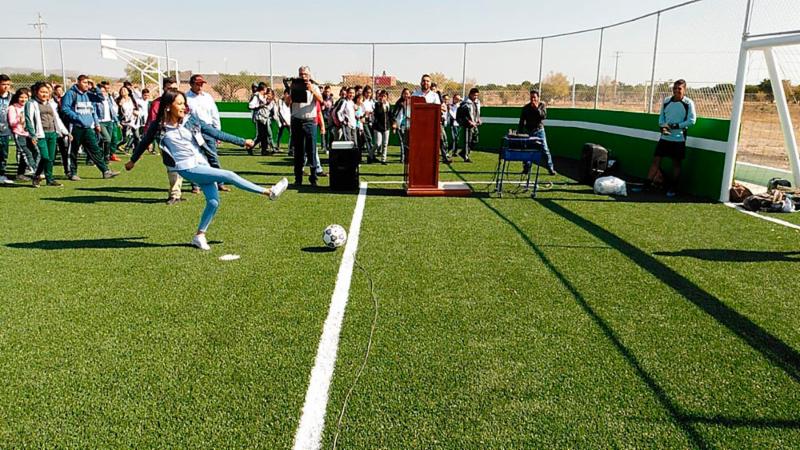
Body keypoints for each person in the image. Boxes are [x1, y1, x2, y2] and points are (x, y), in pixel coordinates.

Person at [125, 89, 287, 251]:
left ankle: (199, 235)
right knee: (229, 175)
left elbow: (214, 132)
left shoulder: (190, 120)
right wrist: (132, 161)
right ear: (168, 106)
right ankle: (269, 192)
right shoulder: (159, 126)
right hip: (185, 168)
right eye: (179, 103)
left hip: (201, 164)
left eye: (184, 103)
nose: (183, 107)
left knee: (213, 202)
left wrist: (241, 141)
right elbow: (144, 142)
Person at [61, 75, 119, 180]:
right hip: (75, 127)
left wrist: (95, 86)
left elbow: (101, 98)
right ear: (78, 82)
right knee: (73, 151)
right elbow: (65, 108)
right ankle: (72, 173)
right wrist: (77, 117)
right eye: (84, 82)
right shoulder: (71, 93)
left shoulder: (88, 94)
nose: (86, 85)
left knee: (95, 149)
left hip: (87, 128)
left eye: (88, 83)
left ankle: (105, 171)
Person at [646, 79, 696, 197]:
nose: (676, 91)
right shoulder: (667, 101)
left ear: (684, 90)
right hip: (665, 138)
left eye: (679, 88)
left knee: (676, 164)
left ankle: (673, 188)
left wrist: (676, 126)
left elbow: (692, 121)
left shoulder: (688, 103)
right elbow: (661, 118)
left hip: (679, 139)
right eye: (675, 88)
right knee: (656, 161)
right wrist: (663, 127)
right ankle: (647, 185)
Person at [185, 74, 228, 192]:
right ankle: (195, 185)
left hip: (208, 130)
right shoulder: (185, 98)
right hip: (193, 131)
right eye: (197, 84)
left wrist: (217, 132)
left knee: (213, 156)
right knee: (194, 158)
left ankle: (220, 183)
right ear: (191, 84)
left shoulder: (208, 97)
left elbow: (215, 114)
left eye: (201, 84)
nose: (200, 87)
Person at [284, 66, 323, 186]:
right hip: (296, 120)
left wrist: (311, 90)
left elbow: (321, 100)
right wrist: (291, 91)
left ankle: (313, 177)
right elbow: (287, 103)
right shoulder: (294, 86)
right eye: (301, 74)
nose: (303, 76)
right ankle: (298, 178)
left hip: (310, 121)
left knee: (311, 149)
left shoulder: (314, 86)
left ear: (309, 75)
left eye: (305, 74)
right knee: (298, 151)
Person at [25, 82, 69, 187]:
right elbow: (29, 120)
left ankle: (50, 179)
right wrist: (32, 134)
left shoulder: (51, 104)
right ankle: (37, 175)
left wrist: (66, 132)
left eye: (46, 92)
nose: (44, 94)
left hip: (52, 133)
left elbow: (57, 119)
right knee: (45, 157)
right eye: (42, 92)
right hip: (41, 134)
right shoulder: (31, 103)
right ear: (36, 92)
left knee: (51, 158)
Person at [518, 89, 557, 176]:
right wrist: (519, 133)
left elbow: (543, 116)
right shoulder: (526, 108)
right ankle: (526, 169)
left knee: (545, 150)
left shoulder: (542, 106)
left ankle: (551, 169)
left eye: (534, 98)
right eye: (531, 98)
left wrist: (536, 108)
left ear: (538, 98)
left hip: (539, 131)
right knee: (526, 150)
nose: (533, 99)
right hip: (528, 132)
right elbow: (521, 121)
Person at [7, 88, 39, 181]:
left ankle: (20, 174)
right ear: (17, 97)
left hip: (30, 134)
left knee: (34, 152)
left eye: (26, 97)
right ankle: (35, 171)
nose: (24, 99)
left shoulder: (30, 107)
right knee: (26, 153)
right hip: (19, 134)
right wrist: (19, 120)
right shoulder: (12, 108)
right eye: (21, 97)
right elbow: (12, 122)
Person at [94, 82, 120, 162]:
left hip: (110, 122)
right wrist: (97, 123)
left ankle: (105, 157)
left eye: (104, 91)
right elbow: (94, 112)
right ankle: (104, 157)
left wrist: (117, 121)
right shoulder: (96, 100)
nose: (103, 93)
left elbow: (112, 111)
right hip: (101, 122)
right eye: (101, 91)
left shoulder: (108, 99)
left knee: (109, 140)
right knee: (107, 139)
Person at [248, 82, 276, 155]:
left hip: (264, 117)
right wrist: (259, 106)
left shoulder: (262, 96)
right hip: (260, 117)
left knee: (262, 135)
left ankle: (262, 150)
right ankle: (260, 149)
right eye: (265, 88)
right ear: (263, 89)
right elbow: (250, 106)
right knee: (262, 135)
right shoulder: (256, 96)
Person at [456, 88, 481, 163]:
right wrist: (469, 121)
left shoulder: (477, 102)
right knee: (468, 141)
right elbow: (462, 115)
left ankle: (463, 153)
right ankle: (466, 156)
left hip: (475, 124)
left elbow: (477, 112)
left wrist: (478, 119)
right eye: (474, 95)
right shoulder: (465, 103)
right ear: (470, 94)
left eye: (477, 95)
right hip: (467, 125)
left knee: (475, 140)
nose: (475, 97)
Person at [116, 86, 140, 155]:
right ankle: (116, 146)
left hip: (134, 120)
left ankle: (136, 152)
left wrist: (136, 112)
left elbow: (136, 107)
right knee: (125, 139)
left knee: (137, 136)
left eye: (125, 90)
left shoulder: (132, 99)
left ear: (128, 92)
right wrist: (120, 104)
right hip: (124, 121)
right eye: (122, 90)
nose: (123, 91)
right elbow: (116, 111)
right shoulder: (118, 100)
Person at [0, 74, 15, 184]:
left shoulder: (12, 97)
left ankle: (2, 174)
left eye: (8, 84)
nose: (6, 86)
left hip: (6, 130)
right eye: (3, 84)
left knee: (3, 153)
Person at [371, 89, 391, 165]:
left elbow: (390, 115)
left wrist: (393, 123)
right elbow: (378, 113)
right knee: (377, 143)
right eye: (382, 96)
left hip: (386, 127)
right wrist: (381, 104)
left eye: (384, 96)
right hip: (378, 127)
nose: (383, 97)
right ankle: (371, 155)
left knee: (385, 144)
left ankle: (383, 159)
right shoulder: (376, 104)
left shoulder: (388, 105)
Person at [392, 88, 411, 164]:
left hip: (409, 125)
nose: (406, 95)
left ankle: (408, 157)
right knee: (402, 142)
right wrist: (394, 124)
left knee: (408, 142)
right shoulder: (399, 103)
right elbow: (394, 114)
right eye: (405, 93)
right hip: (401, 125)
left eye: (407, 93)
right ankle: (403, 158)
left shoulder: (411, 103)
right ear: (402, 94)